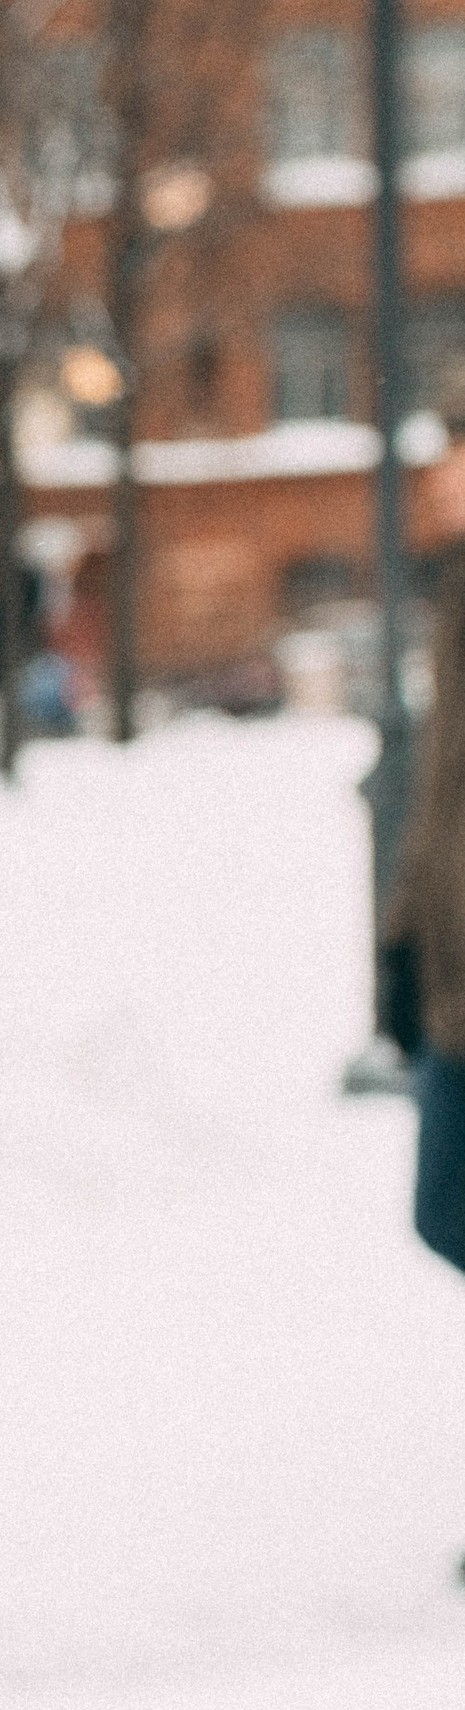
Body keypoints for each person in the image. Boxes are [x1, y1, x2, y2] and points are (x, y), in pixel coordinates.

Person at [383, 551, 465, 1320]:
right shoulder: (456, 596)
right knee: (440, 1209)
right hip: (448, 991)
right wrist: (400, 932)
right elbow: (436, 798)